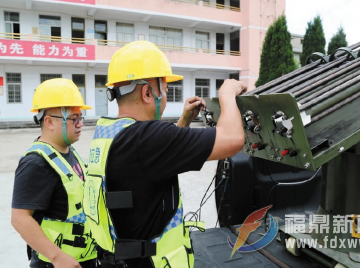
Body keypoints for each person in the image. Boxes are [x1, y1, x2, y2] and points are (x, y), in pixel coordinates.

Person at [83, 41, 246, 268]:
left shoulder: (109, 132)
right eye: (166, 91)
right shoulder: (148, 138)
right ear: (148, 92)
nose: (167, 98)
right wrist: (227, 94)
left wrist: (184, 121)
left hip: (119, 259)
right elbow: (233, 139)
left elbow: (150, 163)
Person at [11, 78, 97, 268]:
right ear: (49, 121)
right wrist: (57, 257)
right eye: (74, 118)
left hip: (83, 257)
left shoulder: (68, 153)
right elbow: (20, 218)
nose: (80, 124)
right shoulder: (36, 162)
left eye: (81, 118)